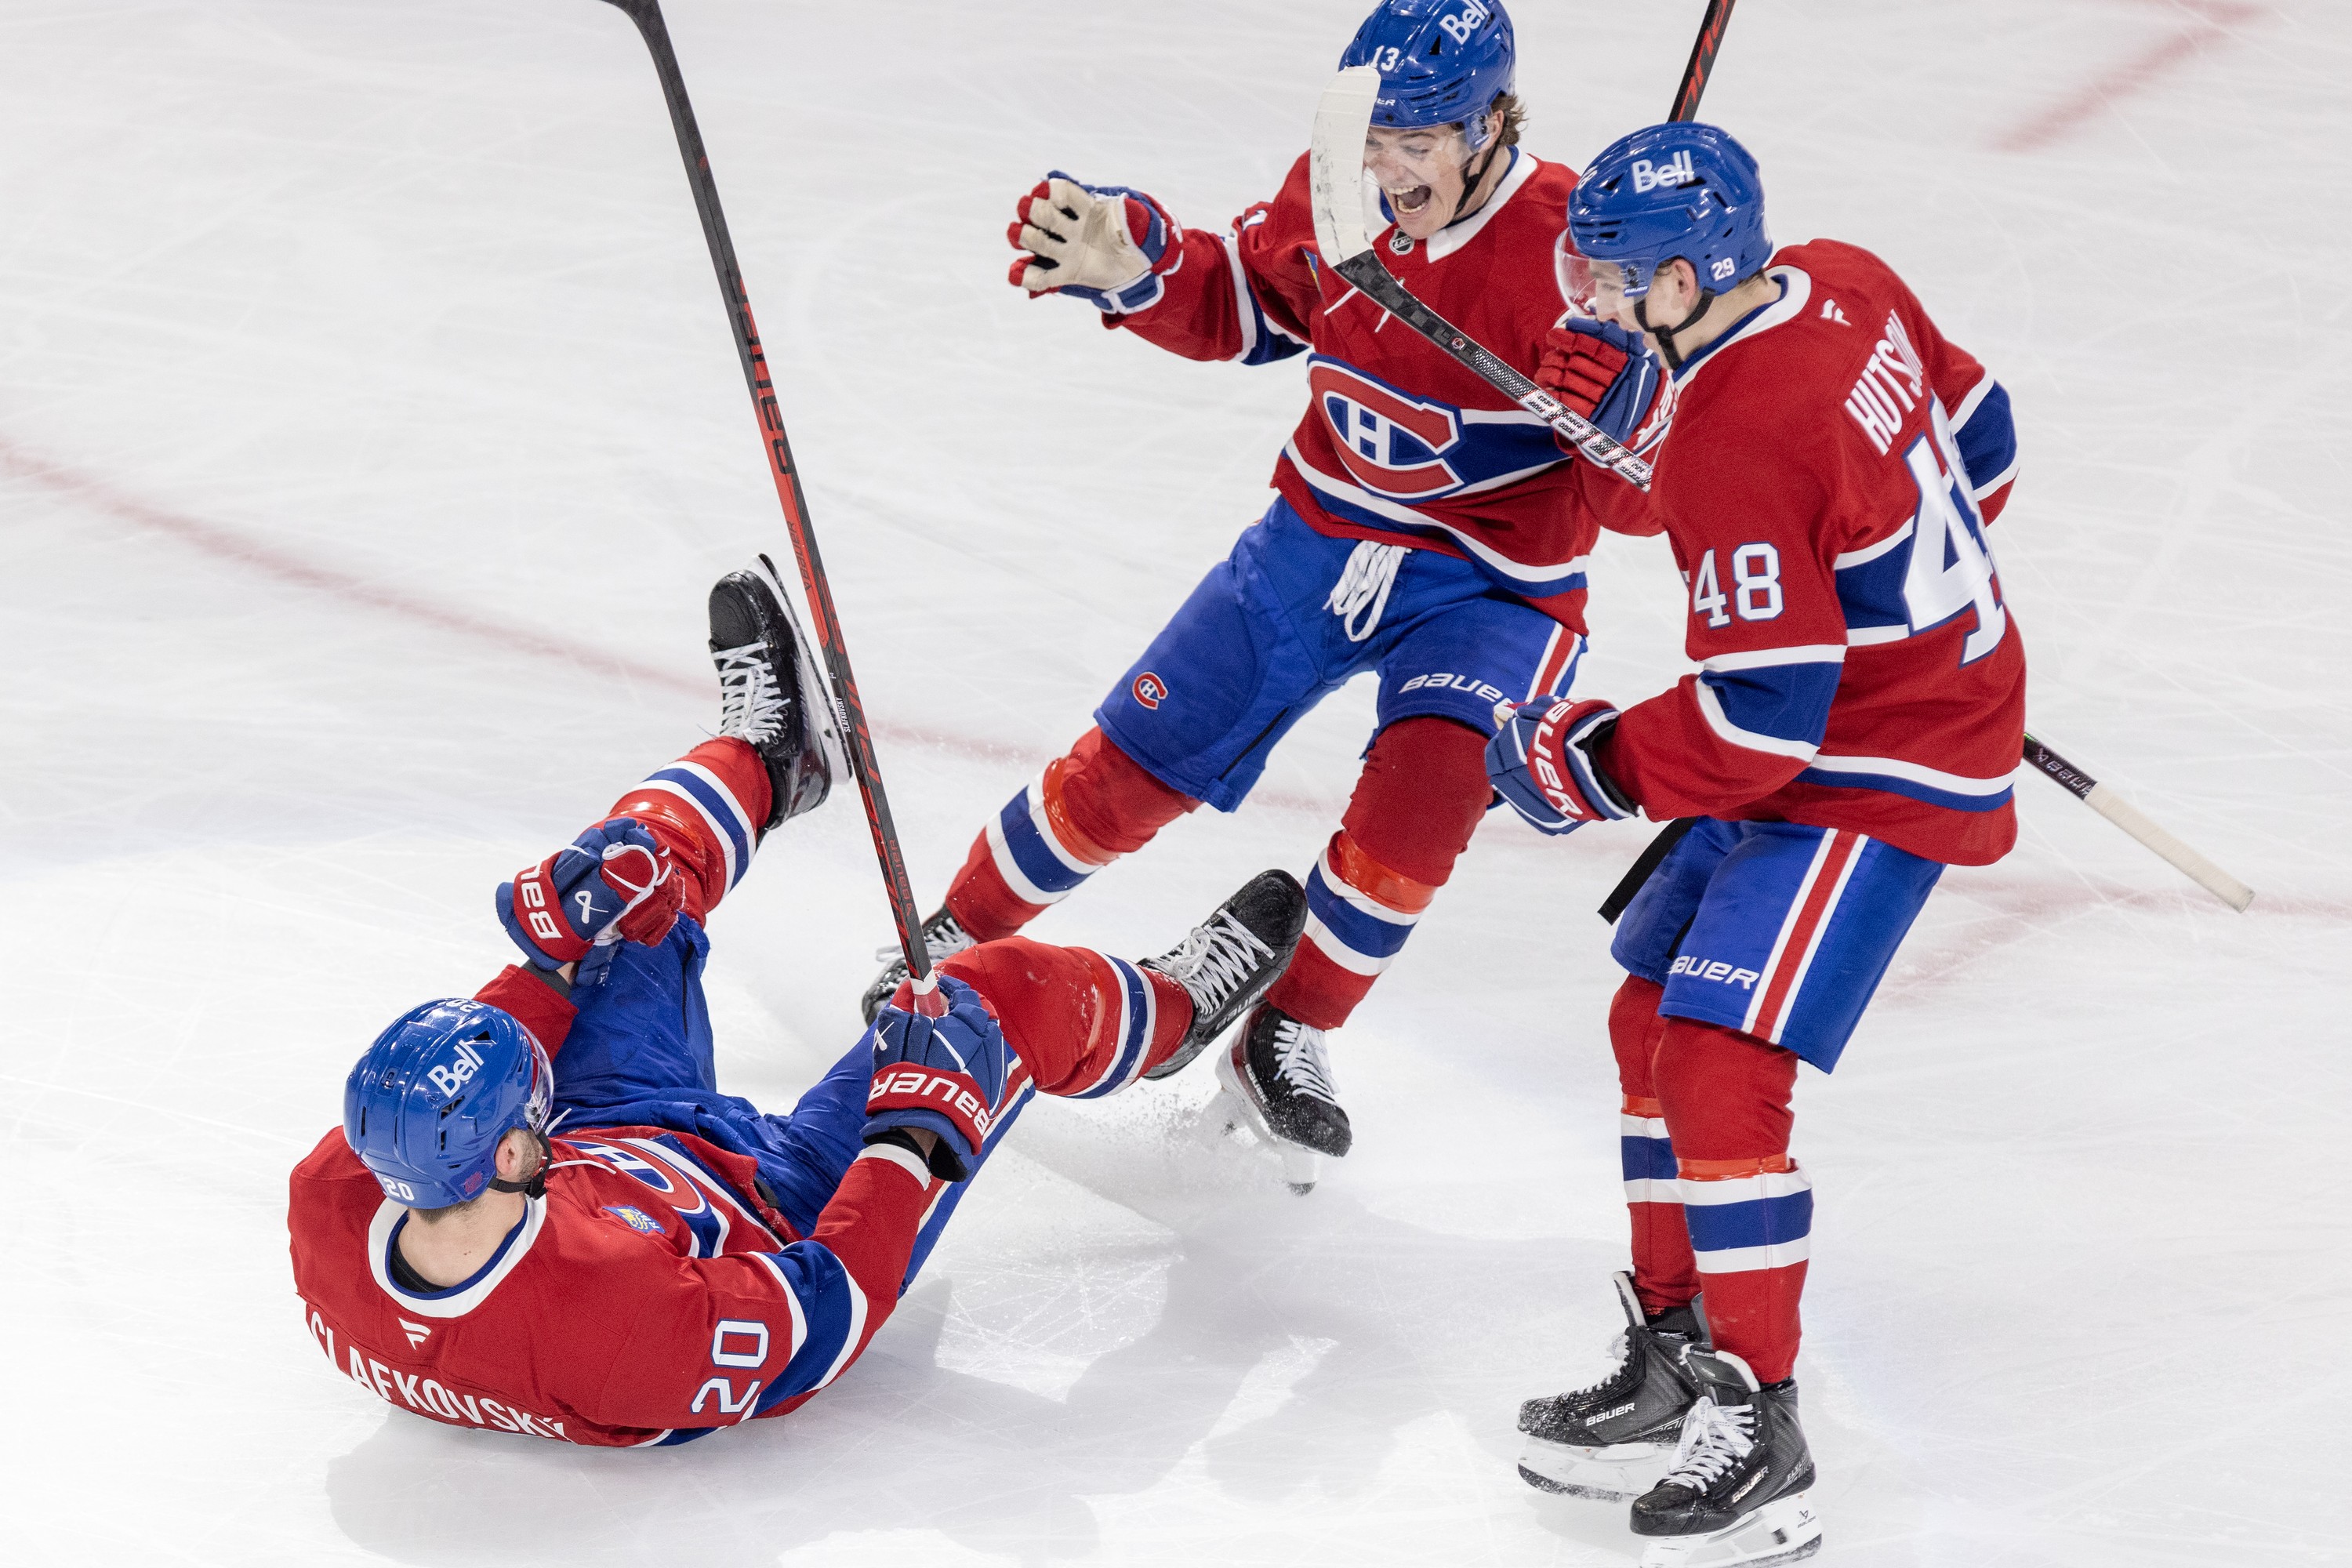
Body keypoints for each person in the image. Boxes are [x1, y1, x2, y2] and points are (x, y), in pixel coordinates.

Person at [861, 0, 1661, 1187]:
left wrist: (1626, 417)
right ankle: (953, 934)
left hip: (1495, 585)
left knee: (1429, 798)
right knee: (1134, 759)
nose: (1388, 169)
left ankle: (1289, 1030)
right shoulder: (1335, 191)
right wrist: (1141, 268)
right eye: (1374, 137)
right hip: (1319, 531)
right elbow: (1249, 305)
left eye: (1420, 140)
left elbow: (1650, 502)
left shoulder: (1581, 255)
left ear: (1493, 124)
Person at [288, 558, 1306, 1448]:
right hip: (782, 1198)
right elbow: (828, 1316)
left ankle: (773, 764)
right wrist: (910, 1135)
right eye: (523, 1104)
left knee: (617, 900)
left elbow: (513, 1044)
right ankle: (1174, 1017)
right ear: (509, 1154)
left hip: (614, 1131)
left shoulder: (343, 1194)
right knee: (985, 996)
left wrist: (562, 950)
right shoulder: (613, 1333)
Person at [1484, 124, 2024, 1566]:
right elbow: (1987, 436)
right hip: (1865, 703)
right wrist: (1920, 585)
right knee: (1643, 1016)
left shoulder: (1738, 433)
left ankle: (1759, 1423)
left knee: (1719, 1065)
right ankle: (1677, 1342)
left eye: (1608, 280)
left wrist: (1580, 761)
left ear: (1682, 275)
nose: (1586, 298)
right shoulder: (1841, 277)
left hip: (1876, 763)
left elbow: (1753, 733)